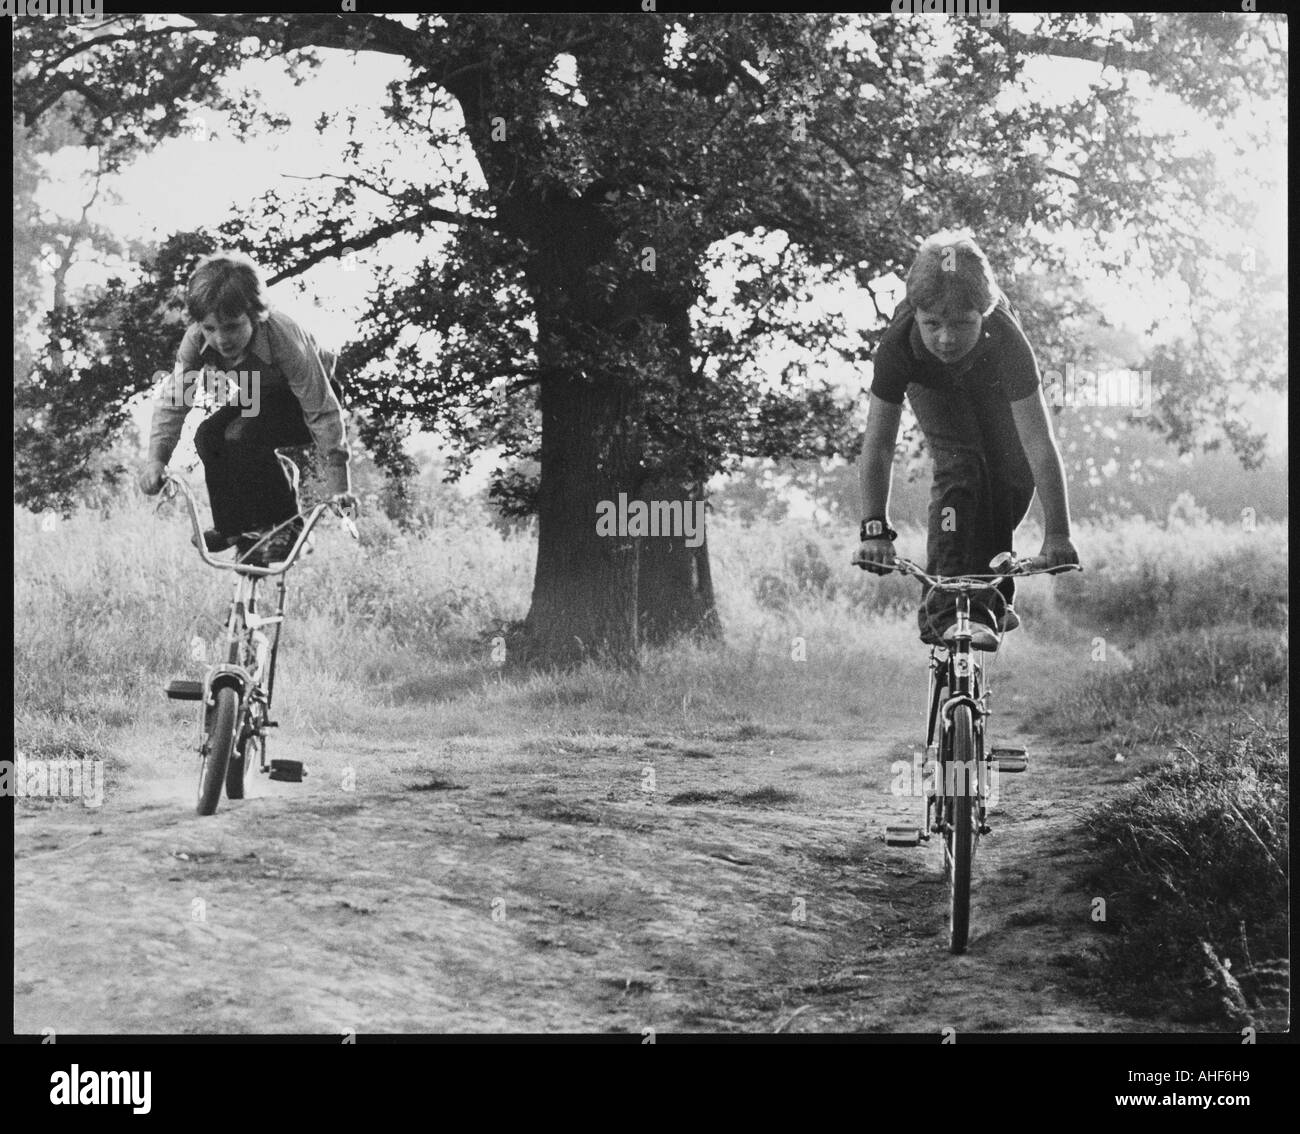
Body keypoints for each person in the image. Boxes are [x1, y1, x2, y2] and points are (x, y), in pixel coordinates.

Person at [853, 230, 1080, 648]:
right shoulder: (899, 346)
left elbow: (1038, 444)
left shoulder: (1007, 340)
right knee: (962, 467)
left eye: (961, 323)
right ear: (915, 314)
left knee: (1010, 474)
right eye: (932, 324)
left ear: (985, 312)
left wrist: (1058, 535)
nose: (945, 338)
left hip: (990, 380)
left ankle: (990, 595)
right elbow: (879, 444)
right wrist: (874, 530)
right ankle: (946, 612)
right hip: (931, 384)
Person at [137, 252, 356, 563]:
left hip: (315, 398)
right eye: (210, 328)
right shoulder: (196, 340)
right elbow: (175, 400)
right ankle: (234, 527)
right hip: (264, 395)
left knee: (243, 433)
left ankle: (289, 528)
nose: (221, 339)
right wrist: (155, 461)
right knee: (208, 435)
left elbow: (322, 411)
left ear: (256, 315)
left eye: (231, 326)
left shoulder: (284, 336)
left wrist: (340, 488)